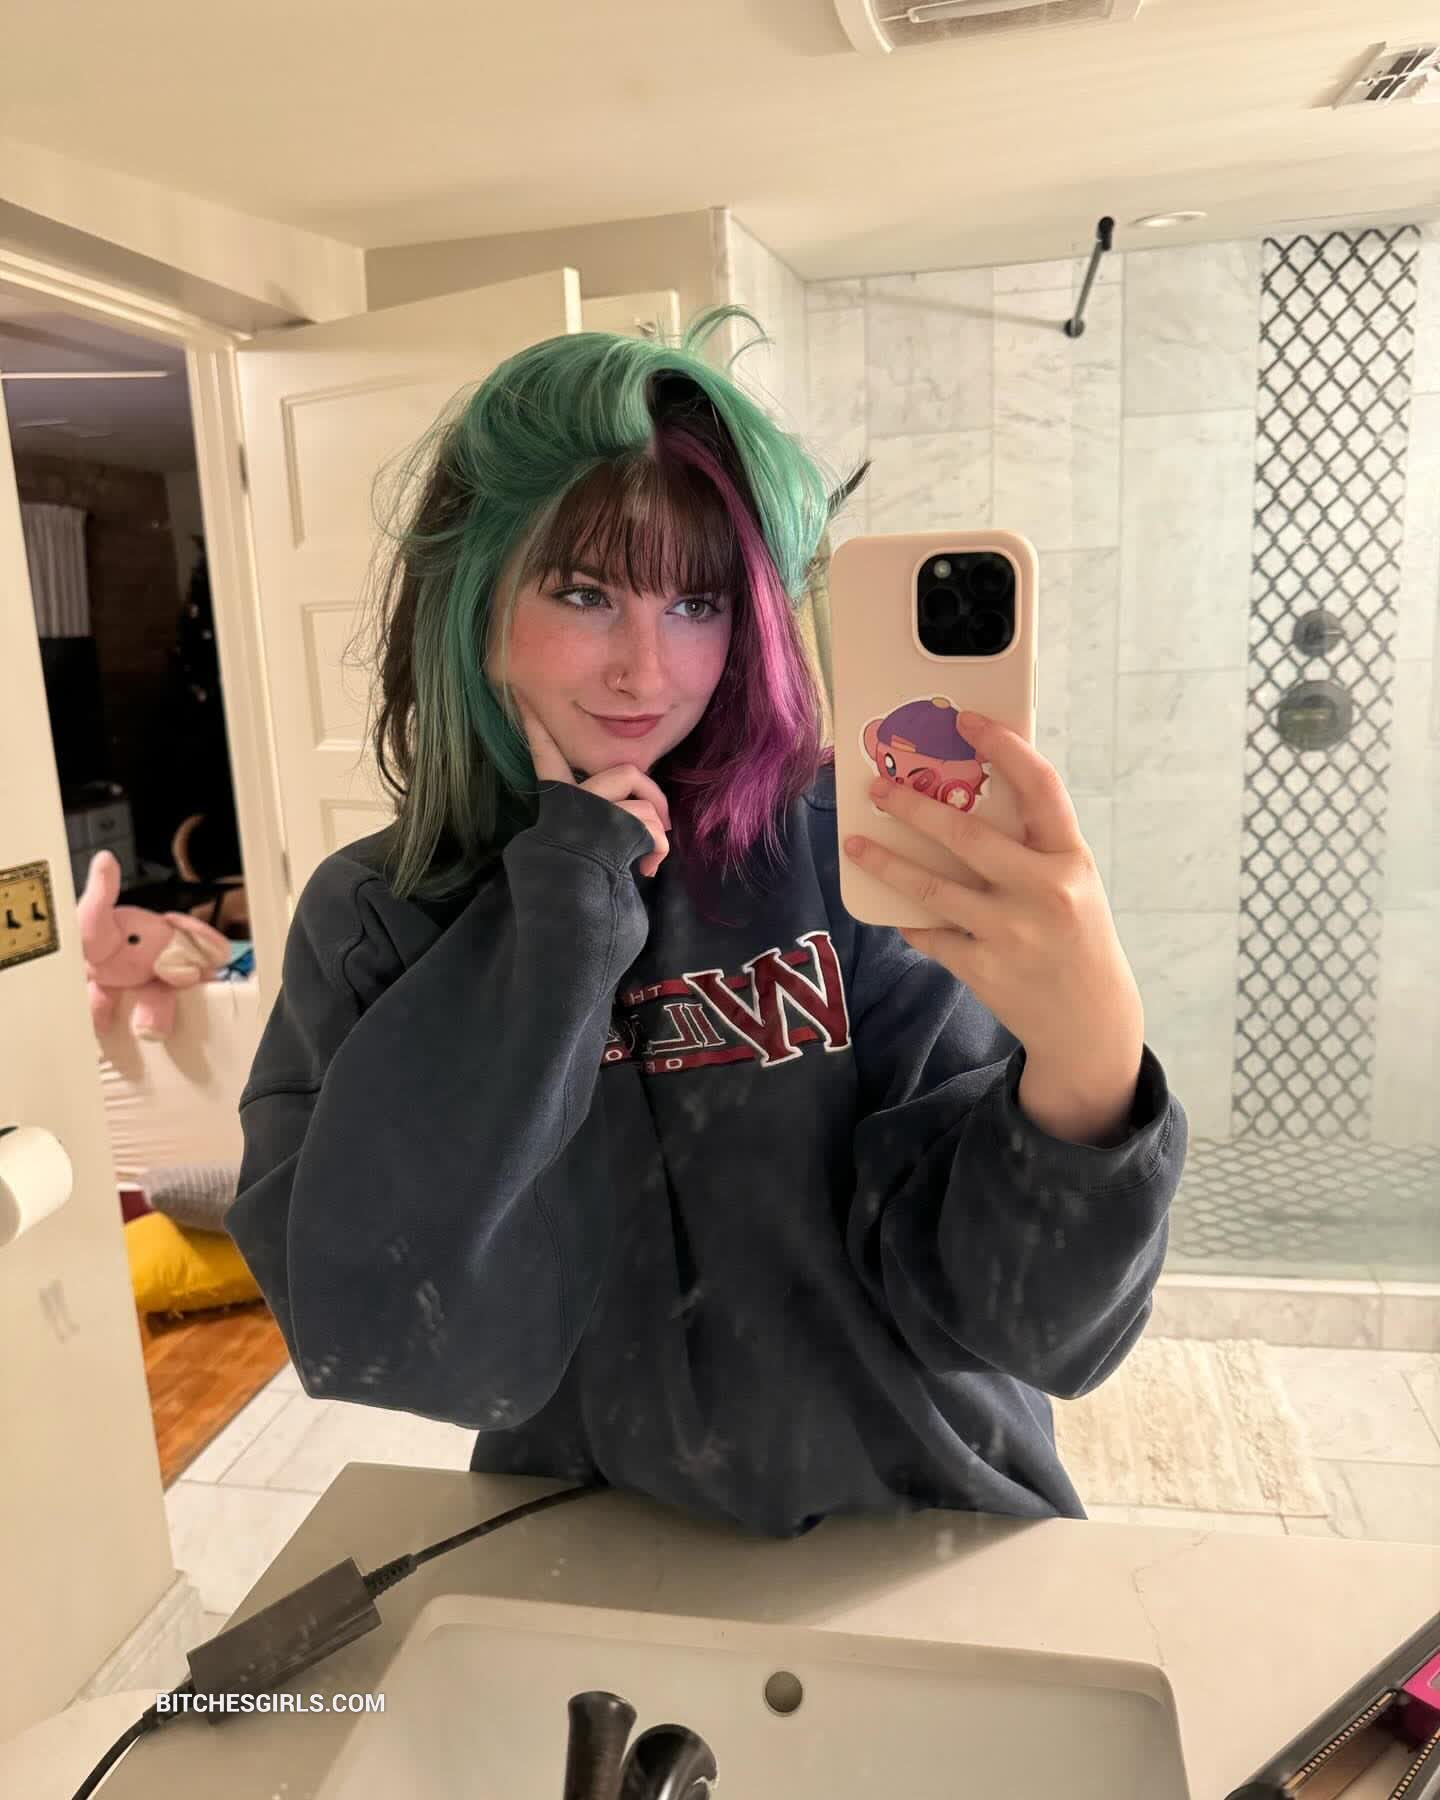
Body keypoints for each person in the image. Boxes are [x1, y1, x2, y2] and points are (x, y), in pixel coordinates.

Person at [227, 307, 1188, 1541]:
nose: (648, 669)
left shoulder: (851, 852)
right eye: (584, 593)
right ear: (472, 598)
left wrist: (1090, 1071)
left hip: (920, 1527)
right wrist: (564, 913)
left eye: (698, 603)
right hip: (583, 1543)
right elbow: (382, 1333)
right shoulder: (378, 918)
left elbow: (1027, 1328)